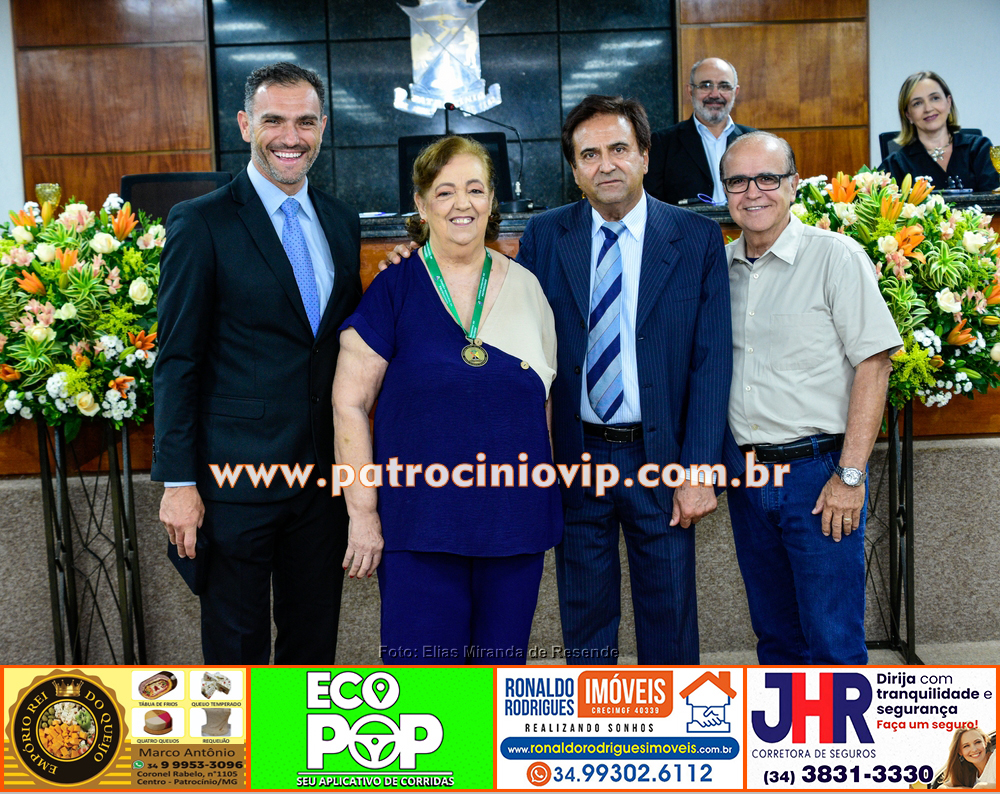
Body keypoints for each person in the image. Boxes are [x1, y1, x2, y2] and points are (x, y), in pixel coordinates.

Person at [382, 95, 732, 665]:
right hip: (574, 457)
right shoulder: (546, 235)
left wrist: (699, 469)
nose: (606, 165)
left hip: (663, 457)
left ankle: (670, 722)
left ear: (645, 156)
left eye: (619, 149)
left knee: (670, 617)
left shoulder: (694, 237)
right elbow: (491, 297)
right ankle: (593, 721)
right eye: (589, 154)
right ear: (574, 168)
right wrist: (413, 254)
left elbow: (711, 363)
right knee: (585, 625)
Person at [152, 63, 362, 664]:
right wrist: (178, 483)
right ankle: (237, 735)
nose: (290, 137)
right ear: (246, 125)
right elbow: (177, 360)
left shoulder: (341, 221)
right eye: (274, 120)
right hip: (233, 487)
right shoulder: (201, 221)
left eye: (305, 122)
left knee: (312, 650)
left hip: (321, 485)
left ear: (323, 126)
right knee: (235, 656)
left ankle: (293, 730)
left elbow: (337, 342)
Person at [332, 135, 562, 665]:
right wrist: (362, 513)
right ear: (421, 204)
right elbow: (348, 404)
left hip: (514, 525)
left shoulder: (529, 288)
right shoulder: (393, 289)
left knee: (500, 684)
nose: (463, 204)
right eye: (445, 191)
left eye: (476, 189)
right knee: (426, 686)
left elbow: (544, 403)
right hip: (419, 528)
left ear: (492, 200)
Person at [720, 131, 903, 664]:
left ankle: (840, 726)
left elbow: (875, 364)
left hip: (819, 476)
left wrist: (850, 477)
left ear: (794, 184)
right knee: (775, 636)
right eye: (738, 181)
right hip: (748, 477)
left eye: (768, 178)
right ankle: (788, 726)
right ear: (724, 191)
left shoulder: (835, 257)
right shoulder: (718, 268)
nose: (753, 192)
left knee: (831, 639)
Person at [645, 57, 755, 205]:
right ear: (690, 90)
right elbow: (653, 203)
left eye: (724, 86)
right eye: (706, 86)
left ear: (735, 92)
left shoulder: (756, 140)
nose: (715, 94)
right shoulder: (662, 143)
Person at [878, 70, 999, 192]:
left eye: (935, 98)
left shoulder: (979, 149)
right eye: (917, 103)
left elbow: (994, 199)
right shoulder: (896, 164)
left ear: (948, 102)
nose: (928, 108)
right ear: (908, 115)